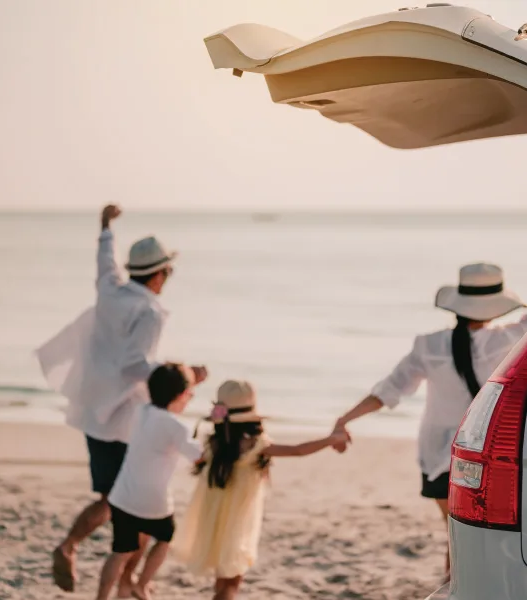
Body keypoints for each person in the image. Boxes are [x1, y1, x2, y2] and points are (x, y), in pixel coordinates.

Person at [331, 236, 527, 578]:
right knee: (473, 541)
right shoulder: (513, 336)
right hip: (484, 453)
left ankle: (455, 584)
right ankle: (460, 585)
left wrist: (344, 419)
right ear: (497, 303)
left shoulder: (429, 344)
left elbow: (388, 391)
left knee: (455, 536)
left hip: (437, 455)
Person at [36, 205, 208, 593]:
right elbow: (134, 366)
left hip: (92, 409)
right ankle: (111, 567)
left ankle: (76, 549)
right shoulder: (149, 312)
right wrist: (181, 377)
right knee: (132, 501)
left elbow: (104, 263)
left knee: (114, 498)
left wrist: (105, 228)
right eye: (169, 272)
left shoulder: (112, 289)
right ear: (160, 274)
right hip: (124, 418)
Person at [173, 380, 352, 600]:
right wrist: (330, 439)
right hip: (237, 523)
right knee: (232, 581)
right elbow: (297, 450)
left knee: (223, 577)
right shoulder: (256, 446)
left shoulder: (215, 444)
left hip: (213, 520)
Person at [97, 363, 205, 600]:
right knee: (166, 538)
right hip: (151, 503)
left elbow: (164, 390)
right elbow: (199, 457)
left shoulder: (141, 411)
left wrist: (185, 384)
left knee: (120, 551)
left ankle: (102, 597)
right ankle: (142, 584)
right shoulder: (176, 426)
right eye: (189, 394)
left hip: (122, 496)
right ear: (180, 395)